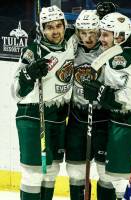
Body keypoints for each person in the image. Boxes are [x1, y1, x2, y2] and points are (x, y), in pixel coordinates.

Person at [82, 12, 131, 199]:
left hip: (128, 121)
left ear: (120, 36)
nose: (101, 38)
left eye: (106, 35)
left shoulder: (119, 61)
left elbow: (128, 97)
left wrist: (100, 93)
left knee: (121, 179)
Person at [11, 5, 76, 200]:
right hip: (32, 115)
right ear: (41, 29)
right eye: (49, 27)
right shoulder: (32, 52)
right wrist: (28, 74)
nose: (55, 31)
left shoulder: (71, 42)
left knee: (51, 170)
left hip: (58, 116)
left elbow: (87, 31)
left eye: (58, 26)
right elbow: (16, 92)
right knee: (34, 173)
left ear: (65, 25)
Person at [65, 7, 118, 200]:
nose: (87, 38)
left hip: (103, 117)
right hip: (78, 116)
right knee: (76, 172)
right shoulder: (70, 46)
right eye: (83, 32)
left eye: (92, 33)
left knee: (106, 173)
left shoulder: (109, 49)